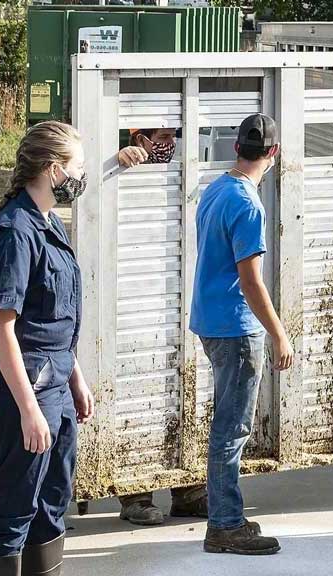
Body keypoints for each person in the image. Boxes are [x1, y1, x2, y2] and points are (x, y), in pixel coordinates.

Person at [0, 121, 96, 576]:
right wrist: (27, 408)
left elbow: (58, 319)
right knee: (13, 505)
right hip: (22, 388)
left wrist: (75, 378)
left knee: (51, 496)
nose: (80, 176)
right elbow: (3, 327)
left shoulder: (48, 223)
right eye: (76, 165)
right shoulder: (14, 232)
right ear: (53, 171)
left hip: (54, 383)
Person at [190, 113, 294, 555]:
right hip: (236, 327)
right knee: (232, 427)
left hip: (210, 321)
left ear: (237, 148)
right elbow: (250, 281)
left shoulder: (217, 189)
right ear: (272, 154)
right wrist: (279, 334)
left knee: (227, 424)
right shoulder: (249, 205)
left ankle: (226, 513)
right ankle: (225, 525)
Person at [113, 126, 209, 526]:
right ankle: (135, 492)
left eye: (172, 133)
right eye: (159, 135)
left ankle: (189, 489)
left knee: (188, 388)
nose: (166, 142)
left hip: (179, 280)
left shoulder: (187, 163)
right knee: (138, 390)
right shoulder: (118, 160)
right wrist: (118, 162)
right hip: (134, 286)